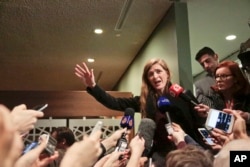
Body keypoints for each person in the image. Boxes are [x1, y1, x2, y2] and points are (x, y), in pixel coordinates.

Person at [75, 58, 207, 165]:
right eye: (151, 74)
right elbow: (114, 102)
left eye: (158, 71)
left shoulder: (184, 96)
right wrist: (93, 85)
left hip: (187, 149)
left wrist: (204, 116)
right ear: (147, 79)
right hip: (161, 155)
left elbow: (199, 124)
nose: (155, 76)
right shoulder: (144, 101)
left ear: (167, 73)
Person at [195, 60, 250, 130]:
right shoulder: (215, 97)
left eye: (224, 76)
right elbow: (225, 124)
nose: (218, 80)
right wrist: (209, 113)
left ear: (235, 78)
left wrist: (247, 116)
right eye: (217, 76)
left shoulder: (247, 96)